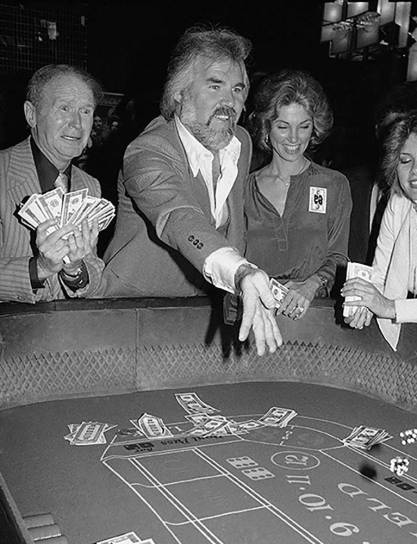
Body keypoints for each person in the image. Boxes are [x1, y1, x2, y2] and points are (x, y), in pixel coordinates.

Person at [94, 26, 281, 355]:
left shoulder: (242, 142)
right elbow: (179, 218)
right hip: (129, 313)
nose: (230, 101)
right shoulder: (148, 151)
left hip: (196, 316)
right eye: (215, 85)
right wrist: (239, 271)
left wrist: (247, 281)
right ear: (179, 92)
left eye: (238, 89)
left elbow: (233, 224)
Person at [244, 70, 351, 320]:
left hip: (315, 317)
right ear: (265, 127)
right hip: (257, 315)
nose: (294, 138)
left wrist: (311, 285)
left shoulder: (334, 184)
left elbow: (338, 256)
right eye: (283, 126)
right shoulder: (243, 189)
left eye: (303, 126)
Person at [0, 64, 104, 303]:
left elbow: (95, 269)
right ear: (31, 114)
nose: (77, 123)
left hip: (69, 334)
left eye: (86, 111)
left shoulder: (91, 186)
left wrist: (75, 271)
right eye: (64, 108)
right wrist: (39, 268)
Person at [342, 111, 417, 351]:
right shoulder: (399, 203)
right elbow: (380, 273)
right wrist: (364, 303)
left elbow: (387, 304)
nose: (414, 172)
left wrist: (387, 307)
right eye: (405, 161)